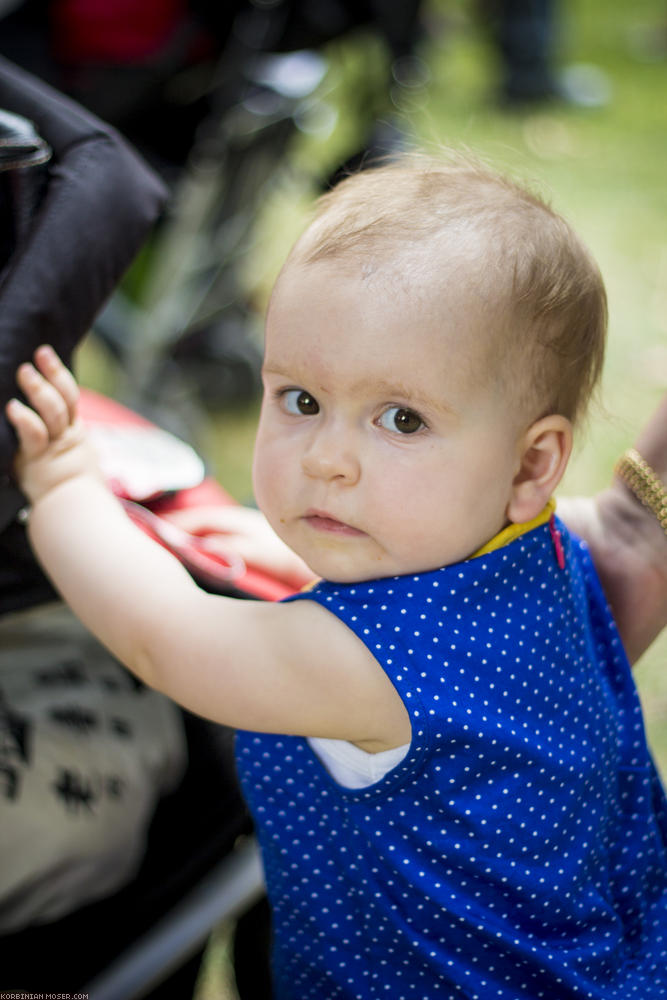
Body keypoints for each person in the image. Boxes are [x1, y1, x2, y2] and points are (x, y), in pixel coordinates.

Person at [5, 153, 667, 999]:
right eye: (301, 400)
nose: (327, 460)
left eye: (400, 419)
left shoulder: (361, 665)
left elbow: (165, 637)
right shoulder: (544, 548)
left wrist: (61, 484)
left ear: (531, 462)